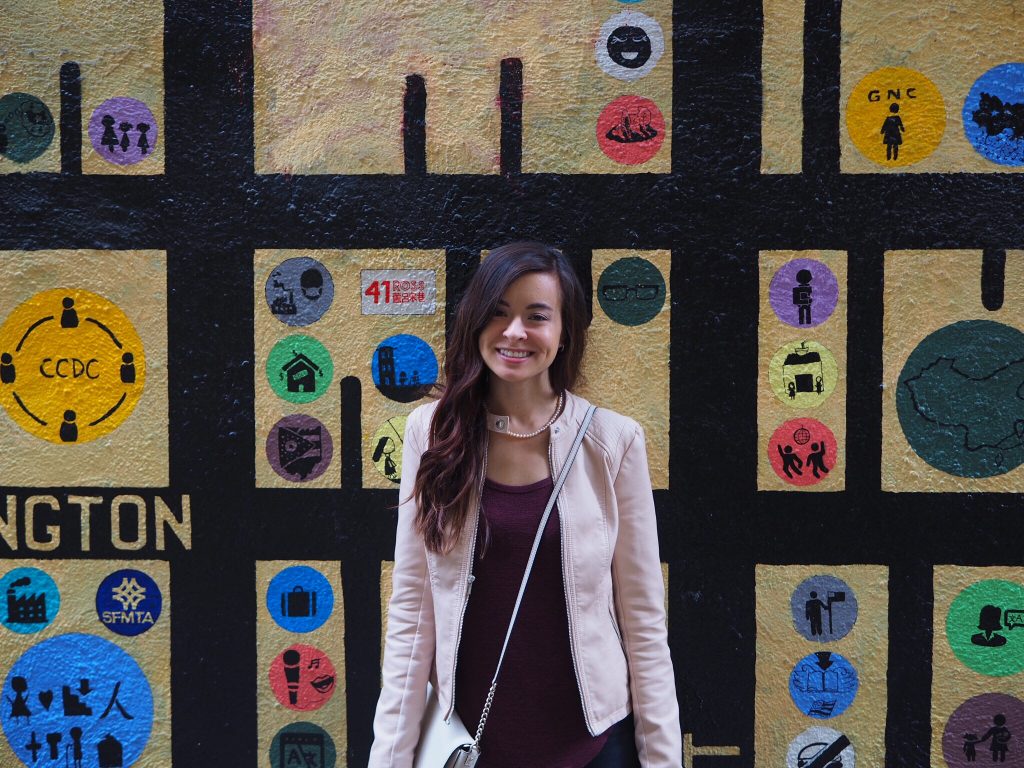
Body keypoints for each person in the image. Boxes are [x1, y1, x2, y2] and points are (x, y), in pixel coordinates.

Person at [369, 242, 681, 768]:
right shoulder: (432, 433)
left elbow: (644, 622)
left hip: (593, 749)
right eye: (498, 313)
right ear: (475, 323)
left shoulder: (613, 443)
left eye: (537, 316)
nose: (514, 332)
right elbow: (412, 613)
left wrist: (662, 761)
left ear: (564, 334)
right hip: (470, 747)